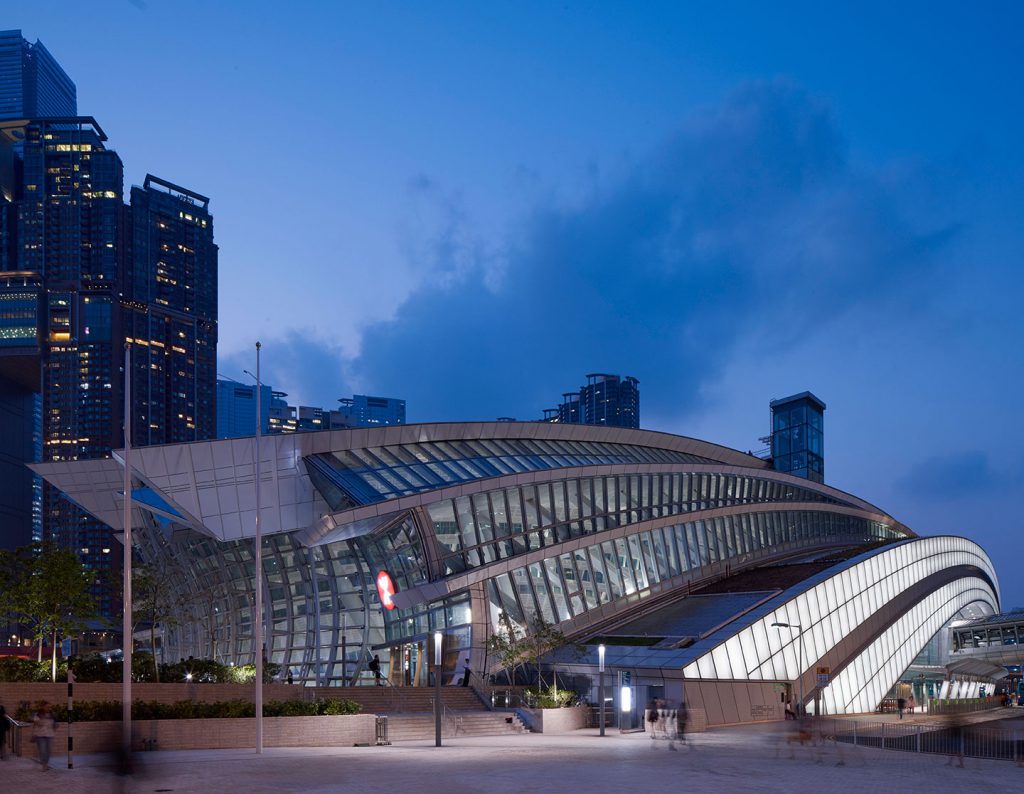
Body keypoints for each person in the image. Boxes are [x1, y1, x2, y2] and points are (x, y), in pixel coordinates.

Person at [33, 703, 56, 771]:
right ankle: (44, 765)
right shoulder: (38, 714)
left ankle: (46, 763)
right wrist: (43, 719)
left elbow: (55, 724)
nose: (48, 708)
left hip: (50, 735)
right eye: (46, 707)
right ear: (43, 707)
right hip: (40, 735)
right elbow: (36, 724)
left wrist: (55, 725)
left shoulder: (53, 715)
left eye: (49, 707)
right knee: (42, 751)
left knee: (49, 750)